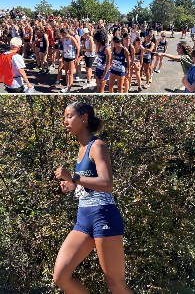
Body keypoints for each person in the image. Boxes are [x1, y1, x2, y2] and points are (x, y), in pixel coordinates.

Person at [53, 102, 132, 294]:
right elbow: (87, 183)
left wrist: (74, 178)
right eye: (64, 117)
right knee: (61, 276)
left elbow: (107, 184)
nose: (65, 121)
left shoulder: (97, 146)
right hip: (83, 219)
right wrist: (71, 186)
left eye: (69, 116)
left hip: (103, 217)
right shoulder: (81, 149)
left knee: (115, 283)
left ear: (84, 118)